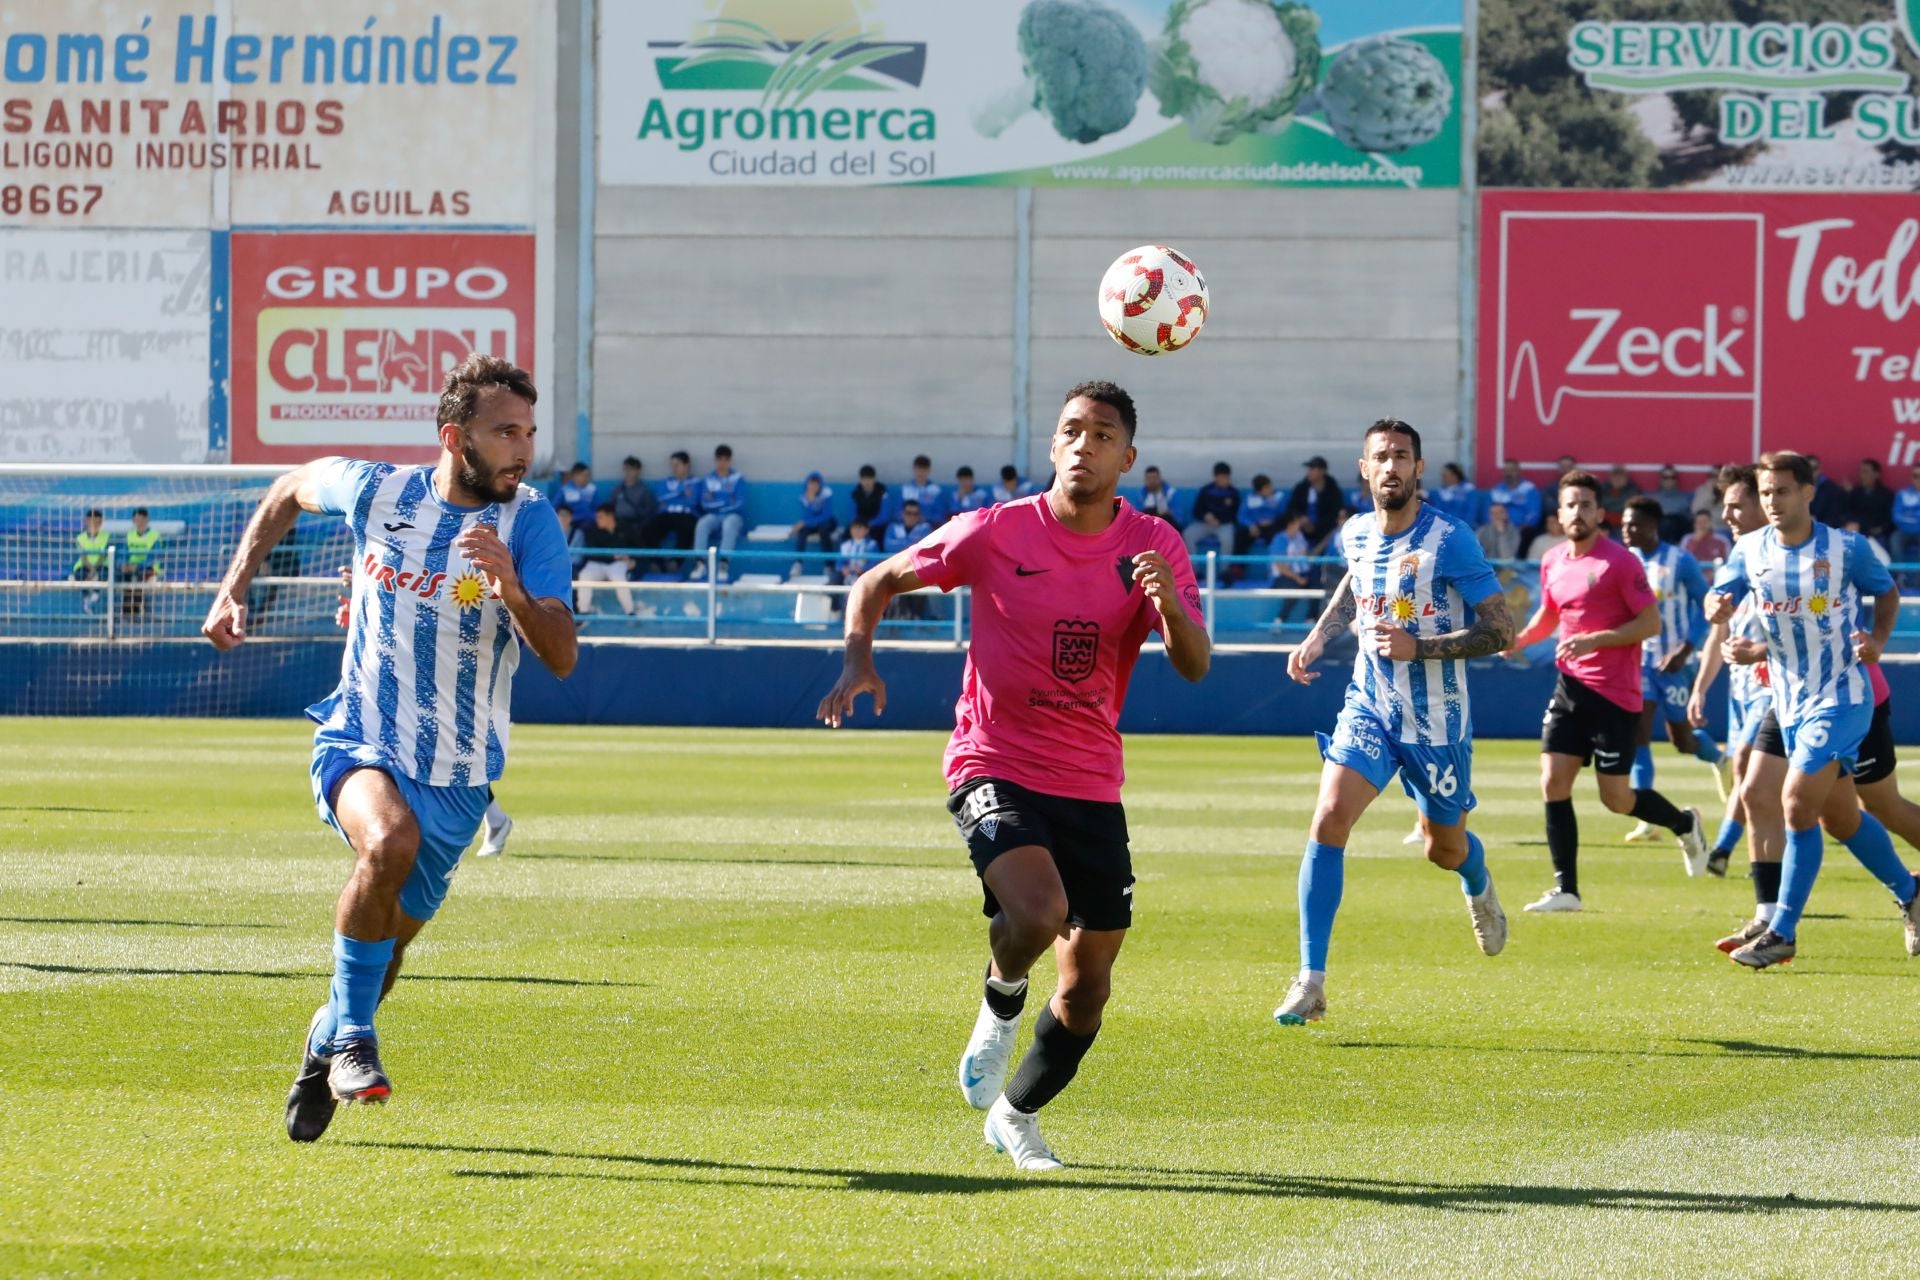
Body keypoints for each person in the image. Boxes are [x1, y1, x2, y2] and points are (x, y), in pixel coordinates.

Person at [817, 380, 1209, 1173]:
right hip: (992, 760)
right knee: (1037, 912)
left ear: (1127, 458)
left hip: (1092, 780)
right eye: (1071, 430)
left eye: (1102, 435)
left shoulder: (1154, 546)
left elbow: (1195, 667)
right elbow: (876, 582)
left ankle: (1016, 1115)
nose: (1083, 445)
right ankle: (998, 1004)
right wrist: (859, 660)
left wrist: (1170, 608)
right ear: (1053, 445)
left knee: (1089, 986)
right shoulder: (995, 532)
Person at [201, 353, 575, 1142]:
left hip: (461, 776)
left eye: (529, 432)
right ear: (454, 436)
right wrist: (236, 585)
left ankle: (326, 1041)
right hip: (361, 736)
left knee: (385, 950)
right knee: (387, 841)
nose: (522, 448)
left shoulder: (531, 522)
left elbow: (563, 654)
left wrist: (510, 587)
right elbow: (287, 487)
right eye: (505, 432)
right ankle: (356, 1042)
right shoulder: (379, 491)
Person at [1275, 417, 1514, 1027]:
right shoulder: (1354, 532)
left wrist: (1419, 648)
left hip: (1438, 722)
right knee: (1328, 818)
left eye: (1401, 456)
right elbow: (1356, 585)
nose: (1390, 467)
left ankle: (1479, 882)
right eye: (1380, 456)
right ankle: (1311, 980)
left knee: (1444, 848)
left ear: (1418, 468)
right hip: (1370, 708)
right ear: (1364, 468)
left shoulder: (1451, 540)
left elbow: (1501, 630)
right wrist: (1316, 636)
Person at [1704, 451, 1913, 968]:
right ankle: (1910, 892)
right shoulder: (1750, 549)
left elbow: (1887, 593)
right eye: (1766, 492)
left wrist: (1878, 639)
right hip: (1787, 698)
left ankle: (1782, 931)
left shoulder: (1846, 549)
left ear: (1808, 492)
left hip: (1843, 697)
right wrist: (1717, 605)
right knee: (1836, 816)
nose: (1772, 501)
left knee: (1800, 803)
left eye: (1782, 491)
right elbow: (1722, 590)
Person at [1508, 471, 1707, 913]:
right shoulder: (1553, 560)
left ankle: (1684, 822)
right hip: (1569, 688)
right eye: (1570, 505)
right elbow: (1549, 613)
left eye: (1585, 505)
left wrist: (1596, 639)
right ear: (1558, 515)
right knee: (1552, 780)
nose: (1577, 512)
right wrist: (1519, 640)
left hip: (1615, 695)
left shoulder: (1620, 562)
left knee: (1616, 799)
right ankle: (1567, 890)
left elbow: (1650, 624)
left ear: (1599, 513)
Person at [1686, 466, 1786, 938]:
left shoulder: (1786, 557)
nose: (1726, 513)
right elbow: (1717, 634)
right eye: (1724, 504)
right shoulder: (1736, 560)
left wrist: (1761, 653)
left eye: (1735, 504)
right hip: (1742, 692)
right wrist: (1702, 687)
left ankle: (1722, 850)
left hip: (1780, 687)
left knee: (1746, 767)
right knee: (1837, 809)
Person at [1617, 497, 1730, 848]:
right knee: (1637, 733)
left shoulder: (1678, 561)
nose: (1626, 530)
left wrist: (1685, 650)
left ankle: (1720, 759)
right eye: (1624, 523)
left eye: (1633, 524)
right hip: (1639, 662)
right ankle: (1646, 818)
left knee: (1682, 739)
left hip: (1676, 665)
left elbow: (1706, 605)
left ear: (1653, 526)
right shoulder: (1624, 561)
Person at [691, 444, 747, 580]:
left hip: (734, 516)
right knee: (702, 523)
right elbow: (705, 504)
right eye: (719, 458)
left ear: (730, 460)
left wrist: (716, 500)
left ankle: (723, 564)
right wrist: (727, 501)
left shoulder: (738, 479)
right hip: (714, 516)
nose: (722, 462)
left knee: (729, 524)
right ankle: (700, 563)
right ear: (715, 460)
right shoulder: (708, 479)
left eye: (726, 459)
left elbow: (739, 503)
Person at [576, 503, 636, 617]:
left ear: (610, 516)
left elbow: (638, 547)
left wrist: (633, 560)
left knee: (619, 579)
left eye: (600, 517)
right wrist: (613, 556)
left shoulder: (626, 529)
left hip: (618, 564)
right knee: (585, 575)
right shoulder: (593, 530)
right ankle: (583, 612)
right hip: (597, 564)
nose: (597, 520)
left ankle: (630, 612)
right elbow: (592, 553)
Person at [642, 451, 700, 568]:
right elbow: (661, 498)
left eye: (677, 465)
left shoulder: (695, 482)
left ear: (686, 465)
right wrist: (681, 493)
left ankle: (676, 563)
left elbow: (693, 501)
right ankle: (656, 562)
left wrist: (673, 496)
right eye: (672, 465)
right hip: (667, 514)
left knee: (687, 527)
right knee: (648, 527)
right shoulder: (666, 482)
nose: (674, 468)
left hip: (686, 515)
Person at [1183, 462, 1242, 559]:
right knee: (1188, 534)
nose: (1224, 480)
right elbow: (1196, 510)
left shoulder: (1233, 493)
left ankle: (1225, 571)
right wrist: (1205, 516)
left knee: (1228, 538)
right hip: (1205, 523)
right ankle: (1194, 570)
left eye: (1226, 477)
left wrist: (1221, 520)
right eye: (1221, 477)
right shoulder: (1206, 490)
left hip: (1224, 525)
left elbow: (1235, 514)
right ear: (1215, 477)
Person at [1285, 456, 1345, 550]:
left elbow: (1336, 512)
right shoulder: (1301, 488)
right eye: (1309, 469)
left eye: (1313, 469)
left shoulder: (1333, 490)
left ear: (1322, 471)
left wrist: (1316, 525)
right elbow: (1291, 509)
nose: (1309, 472)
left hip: (1324, 529)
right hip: (1302, 526)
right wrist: (1301, 519)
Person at [1269, 511, 1315, 628]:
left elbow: (1306, 556)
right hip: (1282, 577)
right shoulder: (1279, 539)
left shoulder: (1300, 537)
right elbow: (1280, 566)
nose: (1299, 524)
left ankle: (1311, 618)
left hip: (1302, 573)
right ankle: (1279, 621)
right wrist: (1298, 578)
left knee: (1317, 583)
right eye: (1297, 521)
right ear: (1290, 524)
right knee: (1294, 588)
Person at [118, 507, 164, 616]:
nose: (139, 522)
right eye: (137, 519)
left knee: (138, 577)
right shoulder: (129, 535)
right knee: (123, 576)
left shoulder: (154, 536)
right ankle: (127, 610)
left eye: (142, 519)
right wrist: (123, 564)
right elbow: (123, 553)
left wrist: (138, 566)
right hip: (131, 568)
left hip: (149, 568)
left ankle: (138, 607)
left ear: (147, 520)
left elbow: (155, 557)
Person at [1487, 460, 1543, 544]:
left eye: (1512, 470)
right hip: (1499, 527)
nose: (1509, 473)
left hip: (1522, 528)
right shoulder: (1497, 490)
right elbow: (1488, 513)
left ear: (1519, 471)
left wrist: (1523, 526)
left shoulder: (1529, 488)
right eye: (1506, 471)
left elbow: (1534, 513)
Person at [610, 456, 656, 551]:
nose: (628, 472)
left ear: (638, 471)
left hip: (634, 521)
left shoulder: (644, 491)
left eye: (631, 469)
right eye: (626, 469)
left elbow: (649, 511)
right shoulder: (617, 489)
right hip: (617, 521)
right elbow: (611, 506)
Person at [1846, 458, 1894, 543]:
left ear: (1876, 474)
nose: (1862, 475)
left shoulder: (1887, 495)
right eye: (1861, 472)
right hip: (1856, 531)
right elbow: (1848, 512)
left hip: (1876, 534)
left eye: (1866, 472)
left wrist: (1880, 529)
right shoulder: (1855, 492)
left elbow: (1889, 520)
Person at [792, 471, 837, 559]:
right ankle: (798, 562)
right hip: (812, 524)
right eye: (811, 484)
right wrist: (810, 502)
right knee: (802, 532)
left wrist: (805, 523)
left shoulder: (826, 494)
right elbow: (807, 516)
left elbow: (826, 515)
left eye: (816, 484)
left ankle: (829, 565)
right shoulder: (804, 497)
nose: (813, 487)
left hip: (828, 523)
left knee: (823, 530)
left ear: (820, 484)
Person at [72, 508, 110, 613]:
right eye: (93, 521)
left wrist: (94, 570)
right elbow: (83, 557)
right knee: (80, 574)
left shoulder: (106, 537)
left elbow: (104, 556)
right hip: (85, 566)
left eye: (98, 522)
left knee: (104, 573)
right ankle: (86, 598)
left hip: (100, 566)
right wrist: (91, 570)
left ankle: (95, 594)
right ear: (87, 521)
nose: (95, 524)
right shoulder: (80, 538)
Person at [899, 455, 947, 526]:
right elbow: (897, 513)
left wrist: (925, 518)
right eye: (918, 469)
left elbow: (941, 516)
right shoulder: (905, 490)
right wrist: (909, 518)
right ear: (913, 469)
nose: (920, 472)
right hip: (906, 528)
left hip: (928, 528)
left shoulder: (936, 491)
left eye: (924, 469)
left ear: (929, 470)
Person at [1892, 464, 1920, 578]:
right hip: (1903, 530)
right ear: (1911, 478)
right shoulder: (1902, 494)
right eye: (1916, 476)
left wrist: (1909, 516)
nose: (1918, 479)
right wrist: (1916, 517)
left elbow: (1903, 516)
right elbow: (1896, 516)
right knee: (1894, 540)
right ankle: (1900, 577)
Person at [1806, 453, 1848, 527]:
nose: (1811, 472)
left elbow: (1834, 515)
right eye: (1808, 468)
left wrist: (1816, 521)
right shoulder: (1798, 487)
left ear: (1820, 469)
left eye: (1814, 468)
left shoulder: (1831, 488)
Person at [1241, 474, 1283, 547]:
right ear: (1258, 491)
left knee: (1275, 533)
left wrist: (1272, 521)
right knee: (1241, 534)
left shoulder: (1278, 497)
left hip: (1272, 525)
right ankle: (1237, 558)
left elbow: (1284, 514)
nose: (1270, 489)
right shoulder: (1249, 498)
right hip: (1255, 526)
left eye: (1270, 486)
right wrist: (1251, 525)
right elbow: (1242, 515)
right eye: (1267, 488)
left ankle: (1274, 557)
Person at [1599, 464, 1641, 534]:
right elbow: (1599, 504)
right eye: (1615, 477)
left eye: (1621, 477)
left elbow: (1627, 504)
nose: (1617, 479)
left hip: (1624, 525)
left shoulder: (1633, 490)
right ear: (1610, 478)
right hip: (1605, 525)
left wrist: (1610, 504)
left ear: (1626, 478)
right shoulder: (1603, 488)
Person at [557, 461, 598, 526]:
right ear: (575, 476)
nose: (587, 478)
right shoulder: (565, 490)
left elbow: (598, 508)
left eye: (588, 476)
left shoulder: (592, 489)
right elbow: (554, 506)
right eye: (585, 475)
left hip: (589, 523)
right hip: (571, 523)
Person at [850, 464, 889, 530]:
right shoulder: (855, 494)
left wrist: (870, 524)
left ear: (874, 479)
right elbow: (852, 514)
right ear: (860, 480)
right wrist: (860, 524)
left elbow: (884, 515)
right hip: (860, 526)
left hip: (878, 526)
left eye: (869, 479)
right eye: (864, 479)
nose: (867, 482)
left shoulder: (882, 492)